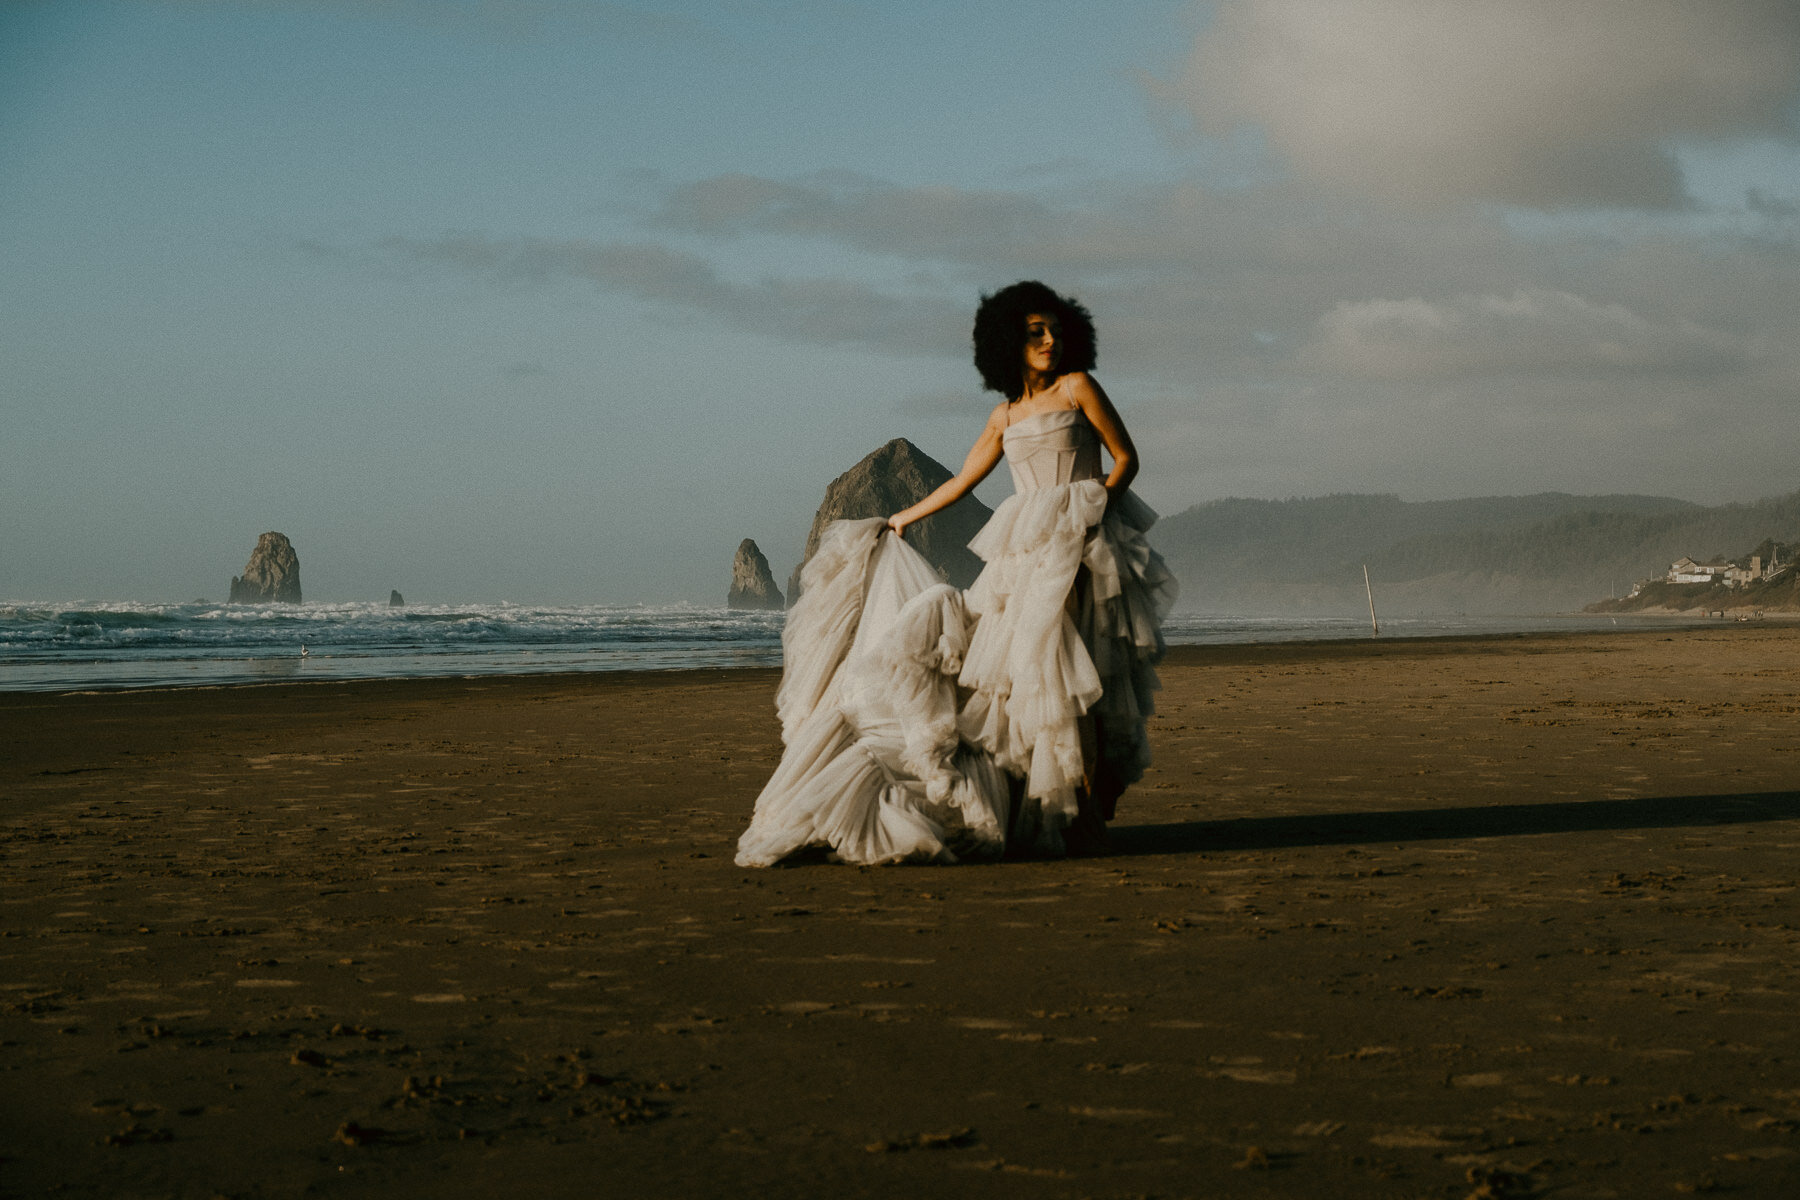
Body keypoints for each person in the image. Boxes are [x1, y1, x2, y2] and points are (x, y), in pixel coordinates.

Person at [734, 282, 1174, 867]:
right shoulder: (1005, 415)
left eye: (1055, 330)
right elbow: (962, 481)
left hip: (1086, 547)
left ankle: (1086, 818)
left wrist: (1094, 512)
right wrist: (901, 519)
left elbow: (1126, 459)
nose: (1049, 339)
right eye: (1034, 331)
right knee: (1028, 687)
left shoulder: (1079, 388)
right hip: (1023, 557)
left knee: (1080, 686)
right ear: (1007, 343)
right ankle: (1049, 813)